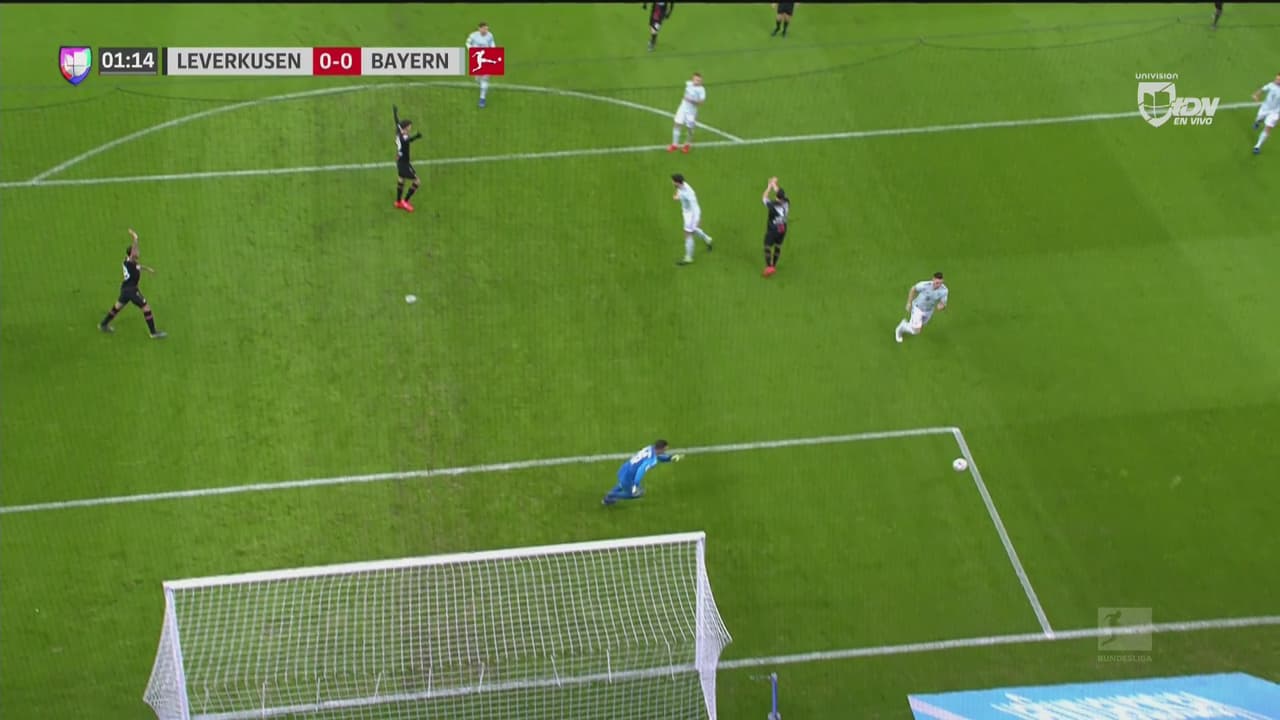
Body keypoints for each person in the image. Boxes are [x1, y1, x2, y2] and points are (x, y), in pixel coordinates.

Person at [99, 228, 166, 339]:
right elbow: (134, 255)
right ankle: (153, 333)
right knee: (146, 308)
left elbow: (138, 267)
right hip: (132, 290)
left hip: (125, 289)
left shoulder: (130, 262)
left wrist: (147, 269)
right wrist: (135, 239)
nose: (138, 252)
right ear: (132, 253)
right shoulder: (130, 261)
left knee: (117, 307)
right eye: (136, 251)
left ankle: (103, 324)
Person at [603, 440, 682, 505]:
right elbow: (641, 470)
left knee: (621, 485)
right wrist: (635, 484)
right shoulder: (651, 460)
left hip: (625, 469)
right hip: (630, 476)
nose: (665, 451)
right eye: (665, 450)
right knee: (637, 494)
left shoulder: (650, 448)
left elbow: (658, 456)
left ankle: (607, 500)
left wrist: (669, 458)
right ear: (661, 449)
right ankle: (611, 495)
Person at [895, 272, 949, 343]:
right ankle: (901, 327)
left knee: (919, 327)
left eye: (940, 283)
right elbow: (913, 289)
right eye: (937, 283)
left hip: (929, 311)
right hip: (918, 308)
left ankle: (909, 325)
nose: (938, 285)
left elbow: (943, 303)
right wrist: (909, 303)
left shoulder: (944, 290)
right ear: (933, 279)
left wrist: (941, 306)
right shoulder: (924, 285)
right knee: (916, 331)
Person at [671, 173, 713, 265]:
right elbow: (679, 191)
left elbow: (695, 207)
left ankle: (688, 257)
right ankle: (707, 239)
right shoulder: (681, 186)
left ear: (677, 182)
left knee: (687, 234)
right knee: (693, 231)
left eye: (673, 182)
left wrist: (698, 219)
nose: (672, 183)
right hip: (686, 214)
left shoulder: (689, 193)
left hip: (692, 215)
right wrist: (677, 197)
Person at [393, 105, 423, 211]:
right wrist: (416, 137)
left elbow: (397, 122)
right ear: (406, 127)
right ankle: (405, 201)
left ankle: (398, 202)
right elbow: (407, 140)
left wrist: (395, 112)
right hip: (404, 163)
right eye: (410, 126)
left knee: (401, 179)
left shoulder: (399, 131)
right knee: (417, 181)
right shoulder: (404, 137)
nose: (410, 128)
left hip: (399, 161)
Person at [669, 73, 705, 154]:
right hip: (682, 109)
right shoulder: (689, 83)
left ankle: (687, 144)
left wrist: (691, 100)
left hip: (691, 112)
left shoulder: (701, 90)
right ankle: (674, 145)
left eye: (700, 80)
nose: (698, 82)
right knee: (677, 124)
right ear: (692, 79)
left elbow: (701, 103)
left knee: (690, 129)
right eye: (696, 80)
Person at [761, 176, 789, 277]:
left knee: (767, 246)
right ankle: (774, 265)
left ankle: (769, 267)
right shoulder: (787, 202)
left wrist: (769, 187)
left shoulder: (773, 205)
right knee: (778, 246)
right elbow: (780, 192)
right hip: (783, 228)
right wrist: (774, 184)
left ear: (776, 197)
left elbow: (764, 198)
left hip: (774, 229)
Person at [466, 22, 496, 108]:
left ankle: (482, 99)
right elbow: (467, 43)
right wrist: (472, 50)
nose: (485, 30)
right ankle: (482, 86)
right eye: (484, 29)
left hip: (486, 57)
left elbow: (492, 44)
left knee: (485, 79)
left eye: (487, 29)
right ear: (479, 29)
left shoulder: (490, 35)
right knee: (477, 79)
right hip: (476, 58)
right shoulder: (473, 35)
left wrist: (492, 52)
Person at [1252, 73, 1280, 155]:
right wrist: (1256, 95)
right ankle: (1257, 122)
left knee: (1267, 128)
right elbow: (1263, 89)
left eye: (1278, 80)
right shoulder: (1271, 85)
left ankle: (1257, 146)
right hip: (1265, 108)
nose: (1276, 80)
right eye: (1276, 79)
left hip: (1275, 113)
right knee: (1259, 118)